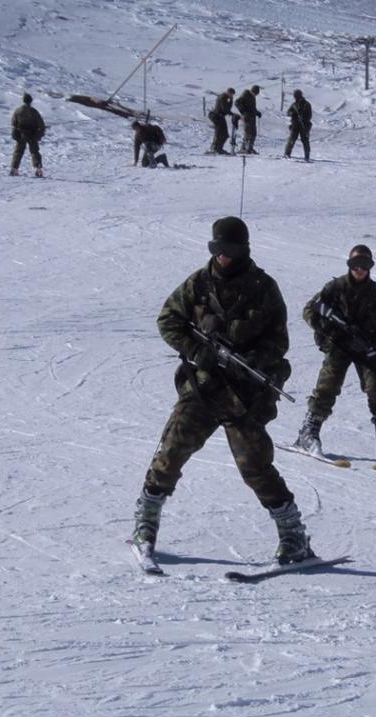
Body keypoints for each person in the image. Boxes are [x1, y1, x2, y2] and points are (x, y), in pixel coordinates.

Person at [129, 217, 313, 566]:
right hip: (202, 387)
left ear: (243, 249)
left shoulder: (263, 287)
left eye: (229, 251)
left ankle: (294, 536)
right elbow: (168, 320)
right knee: (171, 451)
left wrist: (251, 360)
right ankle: (145, 524)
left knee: (255, 465)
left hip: (244, 394)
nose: (222, 258)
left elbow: (279, 340)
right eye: (217, 250)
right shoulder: (198, 284)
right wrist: (197, 351)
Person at [295, 245, 376, 462]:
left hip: (366, 352)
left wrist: (374, 346)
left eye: (365, 265)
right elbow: (309, 310)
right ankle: (309, 432)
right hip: (338, 347)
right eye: (355, 265)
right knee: (327, 387)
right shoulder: (334, 288)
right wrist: (328, 329)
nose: (359, 269)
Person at [10, 93, 46, 177]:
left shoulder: (18, 110)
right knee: (34, 152)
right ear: (31, 101)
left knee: (18, 152)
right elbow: (41, 125)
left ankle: (14, 169)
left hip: (21, 135)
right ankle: (38, 169)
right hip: (32, 135)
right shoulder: (34, 111)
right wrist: (39, 135)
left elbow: (13, 123)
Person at [284, 89, 312, 161]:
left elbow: (309, 115)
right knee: (291, 139)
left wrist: (303, 118)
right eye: (295, 96)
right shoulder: (294, 105)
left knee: (305, 140)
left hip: (304, 125)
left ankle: (307, 155)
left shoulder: (306, 104)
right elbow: (288, 112)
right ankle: (287, 153)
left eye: (296, 96)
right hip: (295, 125)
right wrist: (292, 114)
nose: (295, 98)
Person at [207, 87, 238, 155]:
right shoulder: (223, 97)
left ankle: (218, 148)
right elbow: (225, 109)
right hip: (216, 116)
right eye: (231, 94)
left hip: (220, 116)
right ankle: (216, 148)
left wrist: (231, 100)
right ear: (229, 93)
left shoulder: (226, 97)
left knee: (224, 134)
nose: (232, 96)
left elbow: (227, 108)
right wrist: (232, 114)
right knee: (220, 133)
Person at [234, 85, 262, 154]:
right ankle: (244, 148)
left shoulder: (252, 96)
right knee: (248, 133)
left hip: (252, 117)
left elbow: (252, 108)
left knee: (253, 133)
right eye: (255, 93)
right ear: (252, 91)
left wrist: (257, 112)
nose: (255, 95)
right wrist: (243, 111)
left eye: (256, 94)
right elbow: (237, 102)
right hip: (247, 117)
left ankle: (250, 148)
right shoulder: (245, 94)